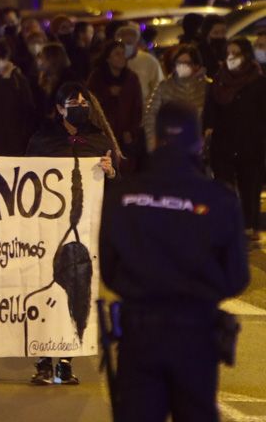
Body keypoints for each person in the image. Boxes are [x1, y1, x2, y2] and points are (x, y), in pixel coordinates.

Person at [100, 101, 249, 422]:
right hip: (195, 333)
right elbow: (236, 276)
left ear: (154, 140)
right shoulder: (220, 199)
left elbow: (109, 270)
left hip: (139, 334)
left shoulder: (122, 196)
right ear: (198, 142)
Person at [26, 82, 117, 385]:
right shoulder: (42, 140)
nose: (80, 105)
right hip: (46, 227)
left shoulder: (99, 140)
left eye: (84, 101)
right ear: (59, 109)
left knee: (78, 288)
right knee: (46, 285)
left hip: (83, 231)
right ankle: (41, 360)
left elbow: (112, 187)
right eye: (72, 101)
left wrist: (110, 171)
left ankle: (65, 359)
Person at [203, 38, 266, 243]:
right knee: (224, 186)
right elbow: (210, 109)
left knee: (250, 186)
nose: (231, 57)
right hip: (224, 143)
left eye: (236, 53)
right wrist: (208, 128)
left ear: (246, 55)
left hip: (251, 142)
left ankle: (249, 225)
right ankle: (227, 225)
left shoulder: (257, 80)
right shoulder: (219, 79)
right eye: (228, 52)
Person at [88, 41, 144, 175]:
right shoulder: (96, 78)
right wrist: (108, 94)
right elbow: (91, 105)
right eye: (117, 54)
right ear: (108, 58)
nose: (122, 57)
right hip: (104, 132)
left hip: (126, 134)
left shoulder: (131, 78)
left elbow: (137, 107)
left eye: (123, 54)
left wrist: (131, 130)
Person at [143, 45, 208, 153]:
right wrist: (153, 144)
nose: (182, 66)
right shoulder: (164, 87)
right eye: (178, 63)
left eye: (187, 63)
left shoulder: (207, 87)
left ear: (196, 65)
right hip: (170, 147)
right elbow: (150, 114)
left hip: (199, 149)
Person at [115, 23, 163, 105]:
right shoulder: (113, 60)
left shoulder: (149, 61)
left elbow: (159, 88)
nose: (126, 47)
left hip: (143, 110)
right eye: (123, 43)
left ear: (137, 42)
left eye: (129, 43)